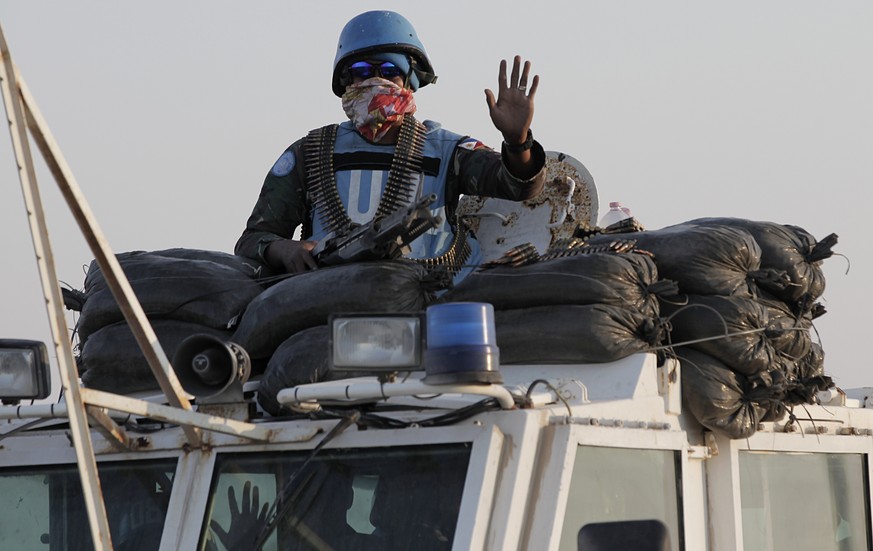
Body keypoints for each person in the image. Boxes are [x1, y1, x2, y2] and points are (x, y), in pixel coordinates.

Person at [234, 10, 547, 283]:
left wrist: (518, 141)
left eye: (387, 71)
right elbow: (253, 239)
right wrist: (283, 249)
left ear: (409, 80)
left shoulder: (447, 149)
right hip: (328, 300)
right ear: (345, 82)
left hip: (431, 296)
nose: (373, 81)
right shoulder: (310, 152)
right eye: (360, 72)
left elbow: (519, 187)